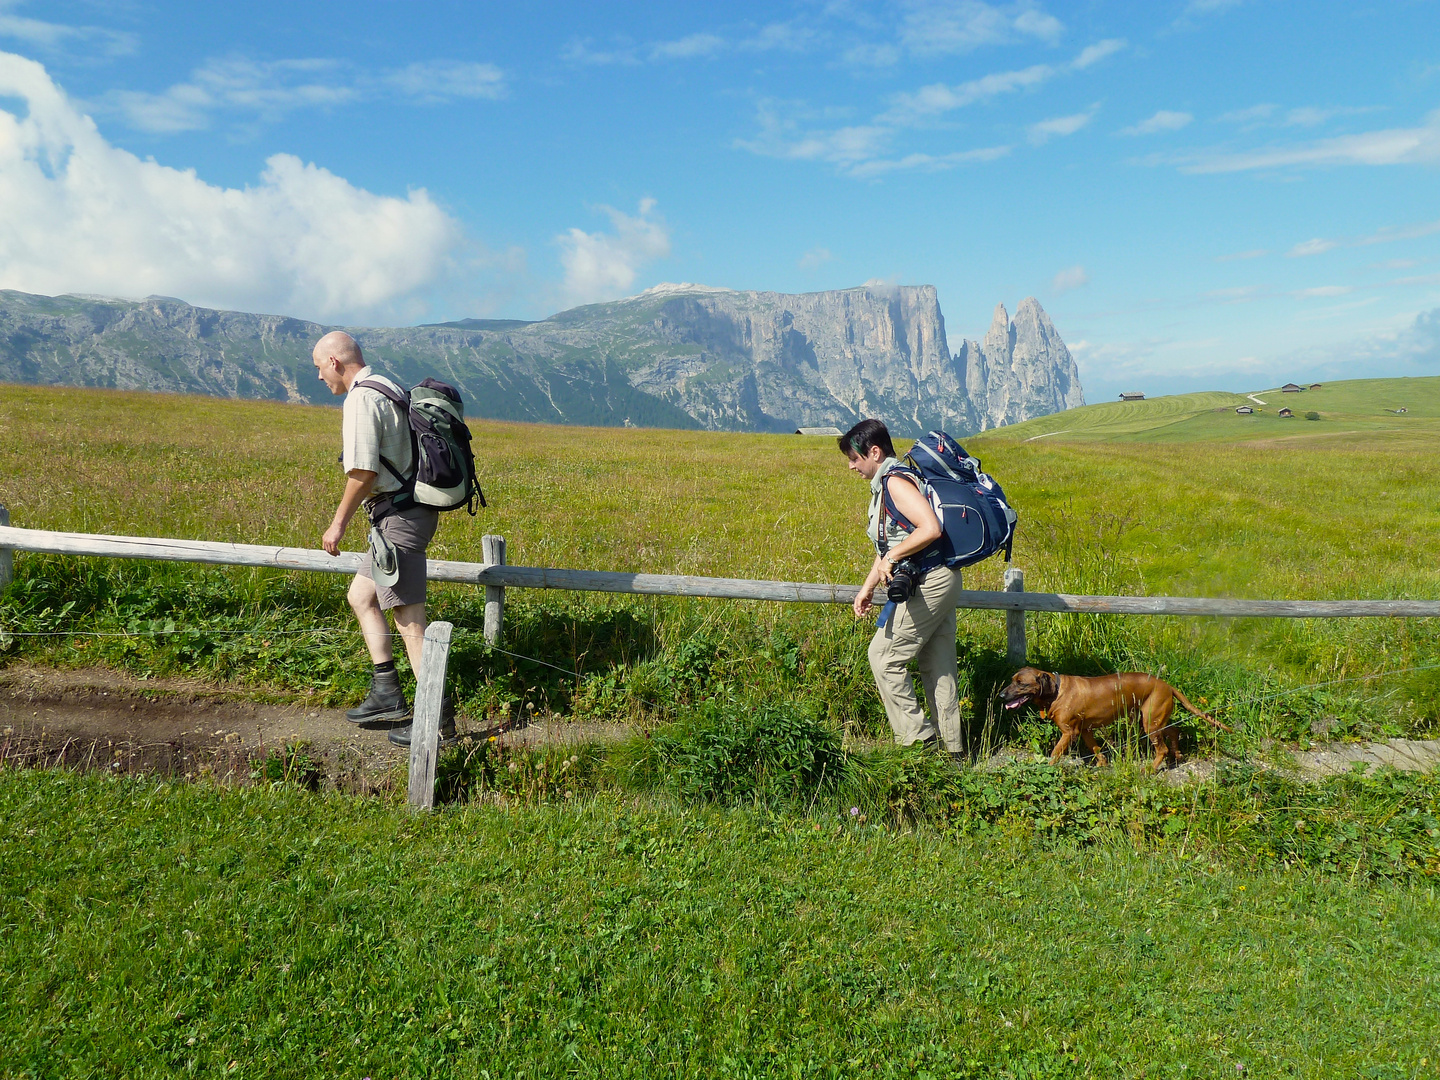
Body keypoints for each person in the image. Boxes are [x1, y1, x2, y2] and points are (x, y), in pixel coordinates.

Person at [312, 330, 448, 747]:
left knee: (409, 620)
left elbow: (363, 473)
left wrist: (337, 524)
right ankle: (387, 692)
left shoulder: (360, 399)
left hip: (399, 520)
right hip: (402, 515)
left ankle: (436, 721)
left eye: (319, 368)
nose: (320, 378)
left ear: (335, 361)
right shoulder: (386, 384)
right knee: (362, 597)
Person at [840, 418, 966, 758]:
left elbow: (930, 528)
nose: (852, 467)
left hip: (930, 581)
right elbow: (890, 545)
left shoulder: (895, 482)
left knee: (882, 657)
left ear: (875, 452)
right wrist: (868, 586)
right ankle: (953, 753)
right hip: (938, 578)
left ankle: (917, 741)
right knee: (938, 665)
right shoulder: (891, 482)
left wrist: (891, 557)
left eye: (854, 458)